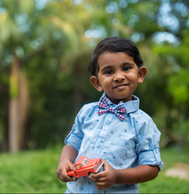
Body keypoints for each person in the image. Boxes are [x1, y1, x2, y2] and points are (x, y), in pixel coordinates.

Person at [56, 37, 163, 193]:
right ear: (97, 83)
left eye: (126, 68)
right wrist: (64, 161)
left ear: (140, 74)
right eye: (109, 71)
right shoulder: (87, 112)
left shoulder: (143, 123)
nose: (119, 76)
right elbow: (73, 143)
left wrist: (117, 175)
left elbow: (151, 167)